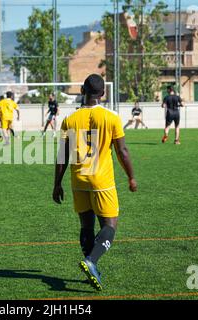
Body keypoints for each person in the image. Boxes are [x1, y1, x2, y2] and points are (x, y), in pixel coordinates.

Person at [53, 74, 137, 291]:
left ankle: (91, 264)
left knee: (86, 225)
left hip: (78, 179)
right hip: (101, 180)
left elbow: (62, 155)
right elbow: (122, 151)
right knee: (110, 225)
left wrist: (57, 184)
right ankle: (91, 261)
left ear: (82, 90)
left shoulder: (69, 120)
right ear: (103, 93)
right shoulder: (111, 117)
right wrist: (131, 176)